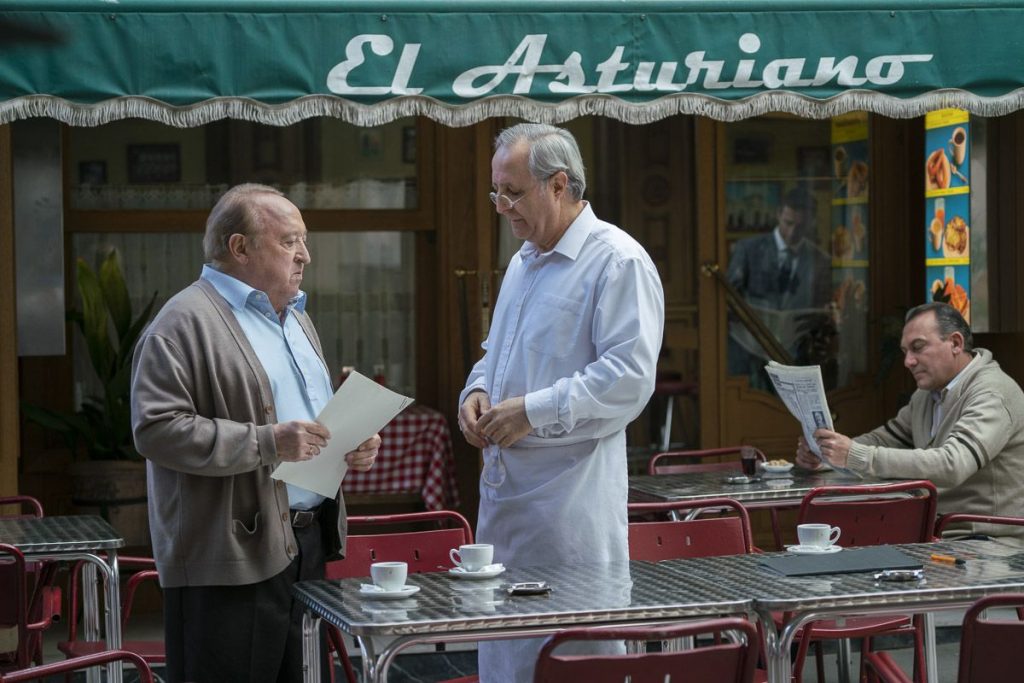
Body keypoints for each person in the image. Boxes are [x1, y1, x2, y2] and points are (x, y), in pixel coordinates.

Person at [130, 183, 380, 682]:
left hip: (306, 545)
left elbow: (307, 416)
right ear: (239, 247)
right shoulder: (181, 323)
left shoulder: (298, 318)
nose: (305, 255)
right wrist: (269, 442)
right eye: (289, 241)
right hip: (228, 559)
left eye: (304, 241)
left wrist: (351, 438)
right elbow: (156, 430)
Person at [458, 123, 665, 682]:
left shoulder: (617, 261)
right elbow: (496, 352)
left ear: (558, 185)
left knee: (570, 657)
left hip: (571, 504)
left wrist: (532, 409)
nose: (501, 207)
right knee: (506, 655)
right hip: (505, 500)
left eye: (513, 192)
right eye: (495, 192)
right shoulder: (524, 260)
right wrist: (476, 391)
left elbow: (628, 378)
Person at [797, 302, 1024, 545]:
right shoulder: (928, 394)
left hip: (990, 543)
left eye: (918, 347)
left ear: (956, 344)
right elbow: (887, 438)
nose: (908, 361)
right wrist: (827, 453)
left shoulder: (992, 393)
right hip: (934, 535)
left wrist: (855, 455)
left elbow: (953, 464)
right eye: (905, 351)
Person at [727, 187, 832, 389]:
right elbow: (730, 298)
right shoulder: (748, 250)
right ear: (778, 215)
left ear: (810, 222)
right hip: (750, 351)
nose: (792, 232)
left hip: (797, 353)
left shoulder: (819, 259)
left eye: (800, 227)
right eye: (788, 223)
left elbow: (823, 304)